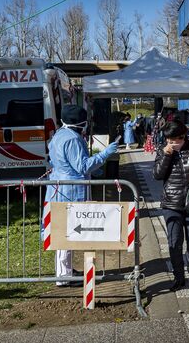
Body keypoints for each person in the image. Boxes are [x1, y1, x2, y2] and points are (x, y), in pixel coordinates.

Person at [44, 105, 118, 287]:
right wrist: (105, 154)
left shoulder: (58, 135)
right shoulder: (73, 139)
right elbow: (82, 166)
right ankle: (63, 276)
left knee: (63, 230)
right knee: (67, 231)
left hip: (58, 186)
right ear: (82, 122)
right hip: (71, 189)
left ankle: (65, 270)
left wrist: (96, 170)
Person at [153, 120, 189, 292]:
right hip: (171, 202)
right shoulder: (163, 149)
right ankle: (179, 277)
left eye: (174, 140)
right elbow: (157, 175)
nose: (171, 143)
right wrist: (166, 154)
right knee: (174, 241)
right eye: (169, 140)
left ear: (183, 137)